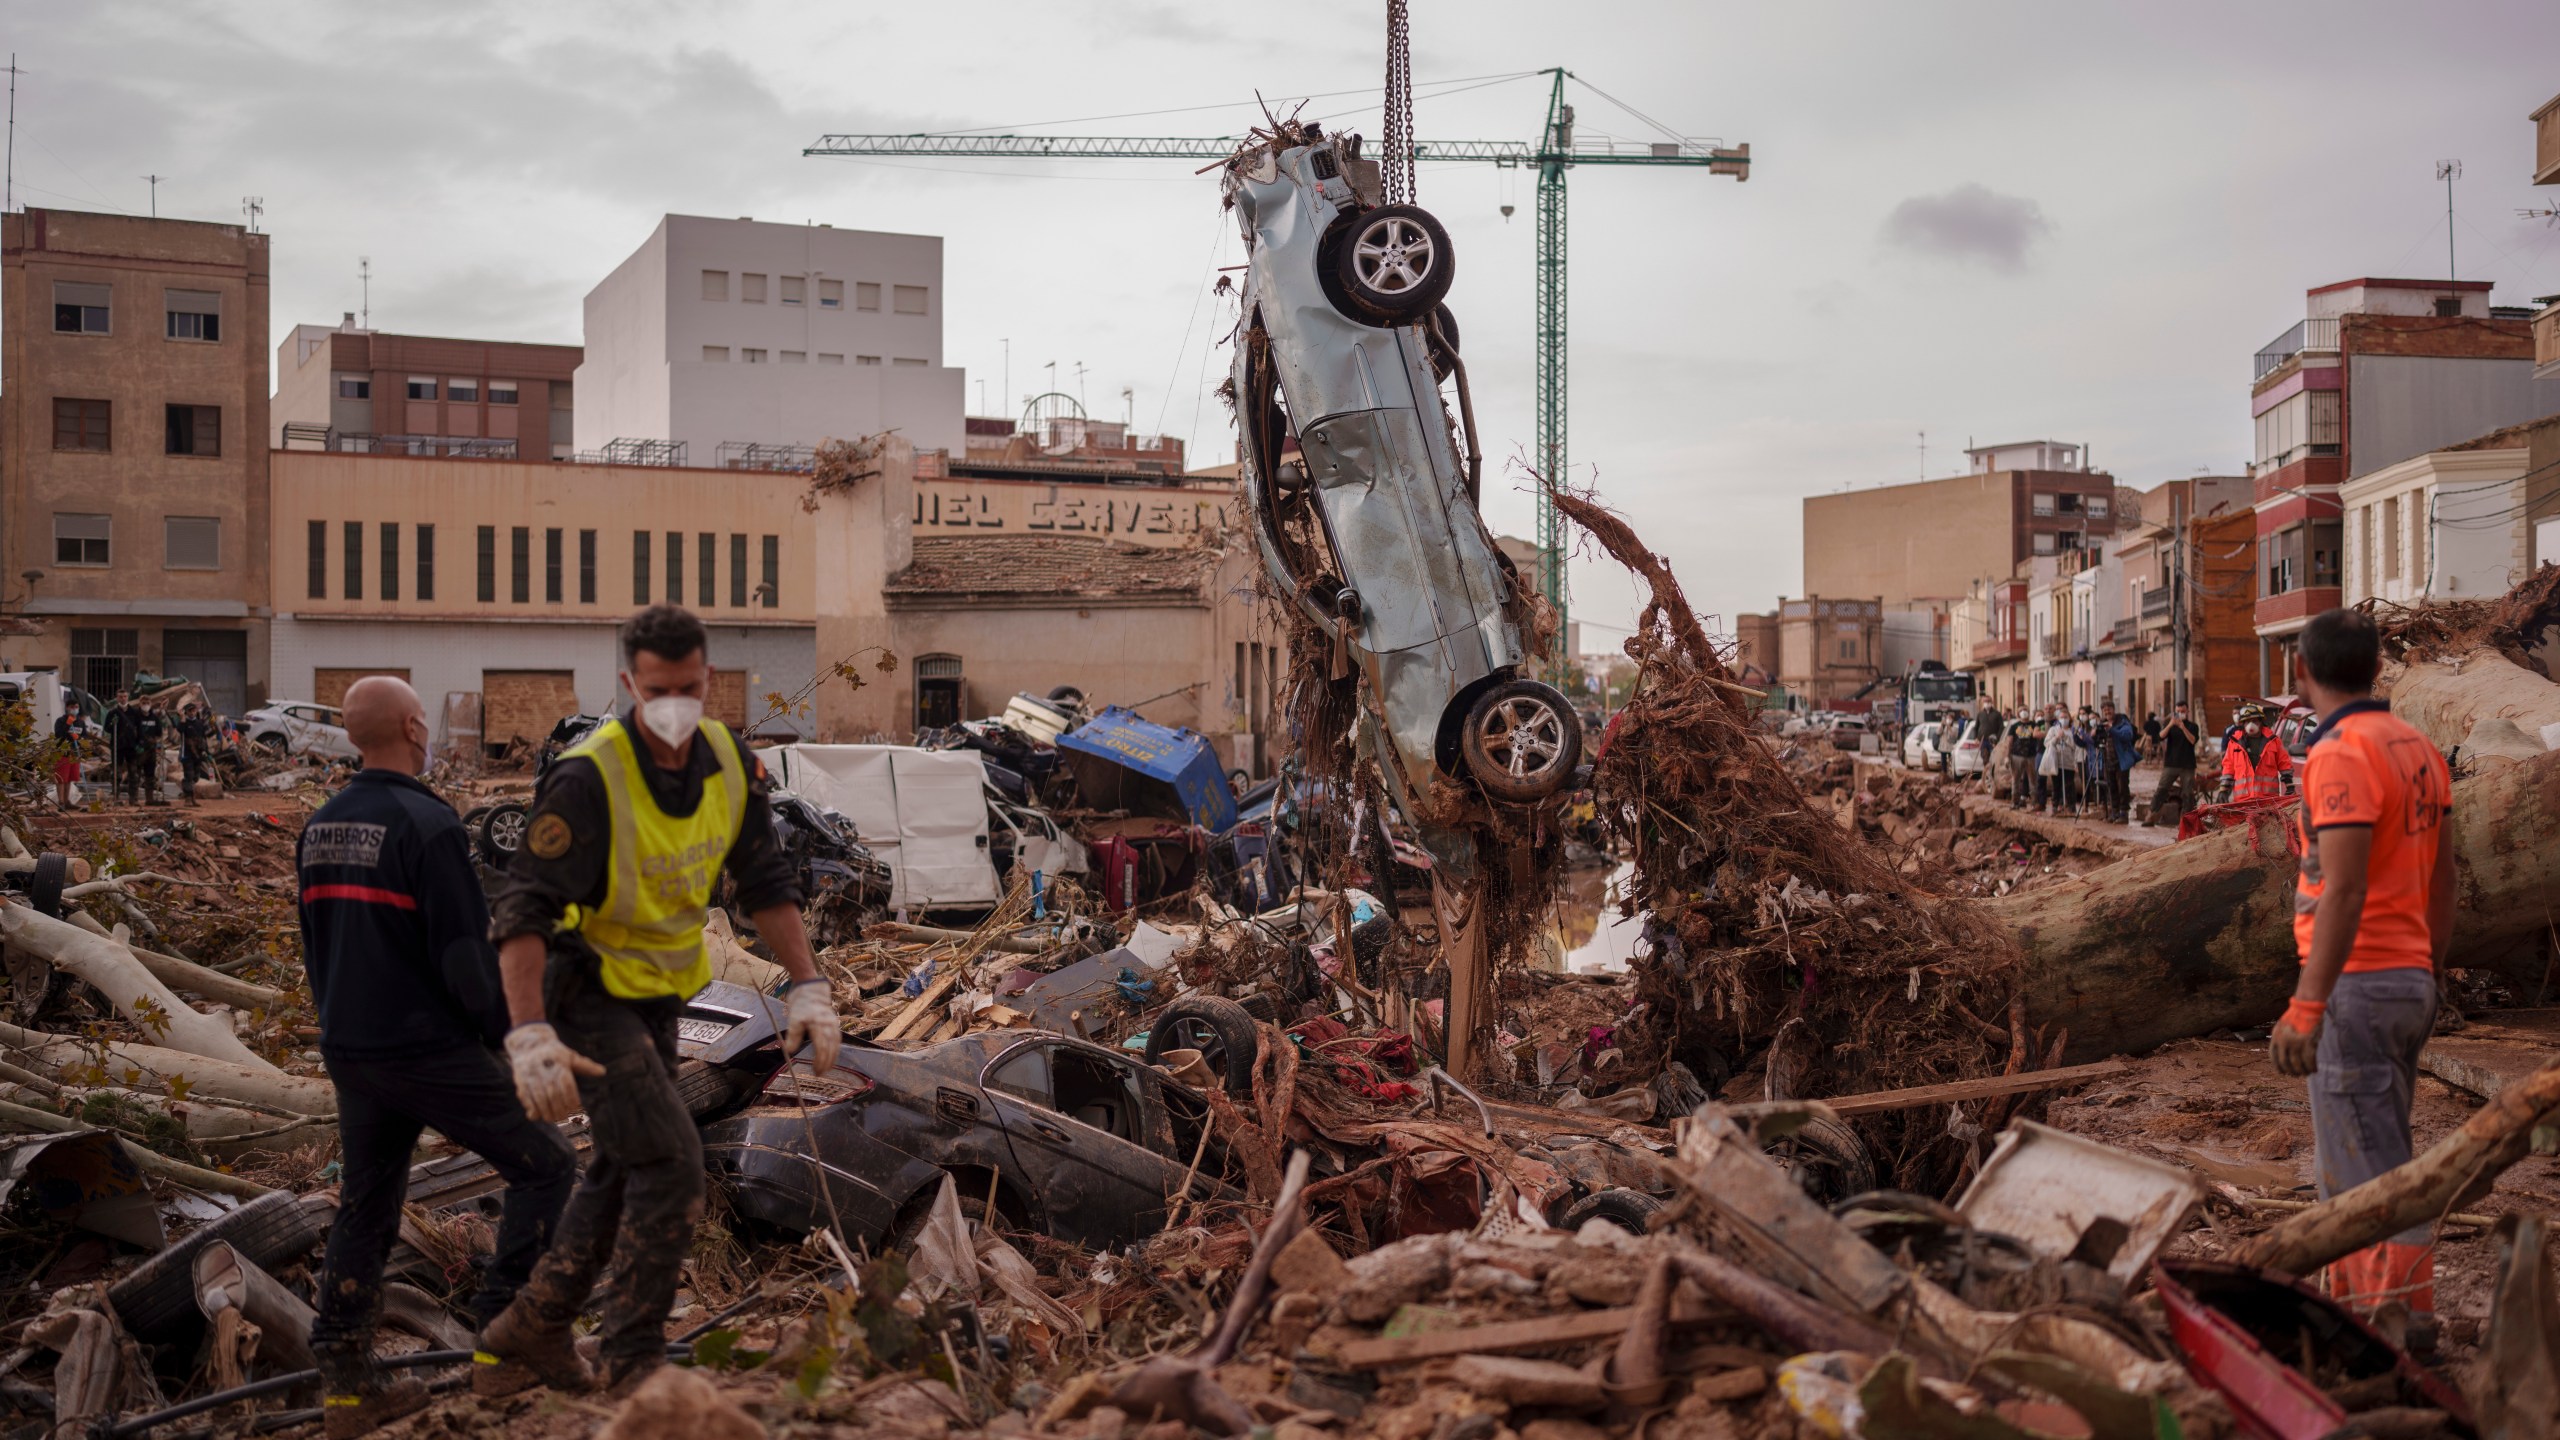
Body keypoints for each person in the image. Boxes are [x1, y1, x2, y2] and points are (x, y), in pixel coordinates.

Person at [478, 606, 843, 1398]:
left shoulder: (728, 763)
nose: (676, 704)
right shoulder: (588, 776)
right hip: (580, 992)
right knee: (675, 1161)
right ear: (628, 685)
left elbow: (766, 880)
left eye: (689, 687)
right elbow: (520, 912)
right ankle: (631, 1357)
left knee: (621, 1160)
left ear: (708, 678)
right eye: (657, 690)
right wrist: (529, 1031)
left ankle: (536, 1322)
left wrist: (809, 982)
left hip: (656, 994)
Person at [298, 677, 577, 1437]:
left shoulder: (321, 826)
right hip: (422, 1045)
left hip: (352, 1046)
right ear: (417, 728)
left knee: (368, 1202)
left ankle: (349, 1385)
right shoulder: (428, 825)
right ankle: (503, 1342)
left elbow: (315, 947)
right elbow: (463, 961)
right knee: (547, 1164)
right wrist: (511, 1040)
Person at [2266, 609, 2454, 1350]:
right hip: (2405, 977)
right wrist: (2431, 969)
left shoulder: (2340, 754)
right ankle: (2354, 1316)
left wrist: (2308, 1004)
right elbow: (2444, 874)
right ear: (2377, 669)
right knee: (2363, 1155)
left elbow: (2342, 889)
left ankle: (2402, 1324)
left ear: (2301, 673)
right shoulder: (2417, 747)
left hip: (2358, 985)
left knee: (2370, 1173)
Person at [2218, 703, 2294, 804]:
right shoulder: (2234, 743)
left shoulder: (2273, 741)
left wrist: (2290, 786)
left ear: (2261, 722)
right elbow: (2228, 767)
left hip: (2268, 801)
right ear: (2243, 723)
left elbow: (2284, 763)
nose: (2251, 724)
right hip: (2243, 802)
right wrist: (2223, 790)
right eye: (2248, 721)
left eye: (2254, 721)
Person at [2149, 701, 2202, 829]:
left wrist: (2182, 726)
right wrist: (2171, 724)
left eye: (2183, 711)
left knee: (2188, 793)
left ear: (2188, 712)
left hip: (2187, 765)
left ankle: (2184, 822)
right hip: (2171, 764)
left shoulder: (2192, 726)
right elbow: (2160, 736)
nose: (2180, 714)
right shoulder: (2170, 725)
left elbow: (2193, 740)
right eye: (2178, 711)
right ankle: (2151, 815)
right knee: (2161, 789)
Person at [2102, 701, 2139, 823]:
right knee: (2111, 787)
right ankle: (2114, 812)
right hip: (2108, 761)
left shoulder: (2123, 722)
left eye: (2109, 710)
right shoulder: (2102, 724)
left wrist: (2112, 730)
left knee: (2122, 787)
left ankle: (2124, 814)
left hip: (2121, 761)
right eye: (2105, 710)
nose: (2107, 712)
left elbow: (2127, 735)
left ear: (2114, 709)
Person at [177, 703, 214, 805]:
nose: (192, 713)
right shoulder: (184, 723)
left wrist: (207, 752)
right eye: (190, 711)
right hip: (187, 754)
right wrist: (182, 719)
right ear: (186, 712)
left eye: (194, 711)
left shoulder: (199, 723)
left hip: (197, 754)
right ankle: (188, 798)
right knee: (189, 775)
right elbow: (180, 730)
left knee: (196, 777)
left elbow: (204, 737)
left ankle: (192, 797)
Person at [51, 707, 87, 810]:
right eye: (72, 707)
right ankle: (61, 802)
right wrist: (67, 724)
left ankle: (67, 801)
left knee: (70, 779)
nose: (74, 709)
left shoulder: (80, 722)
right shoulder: (60, 721)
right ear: (67, 708)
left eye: (76, 707)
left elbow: (84, 736)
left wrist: (78, 738)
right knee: (61, 779)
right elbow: (59, 735)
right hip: (62, 753)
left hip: (74, 754)